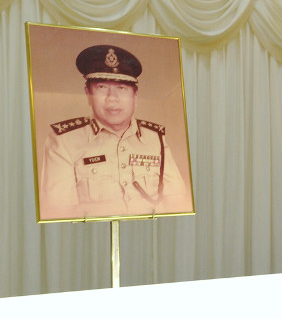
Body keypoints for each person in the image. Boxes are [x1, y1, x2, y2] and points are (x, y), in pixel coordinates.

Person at [39, 44, 188, 219]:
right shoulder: (63, 142)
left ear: (135, 95)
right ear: (88, 93)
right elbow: (58, 214)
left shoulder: (156, 139)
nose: (113, 98)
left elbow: (177, 203)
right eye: (102, 87)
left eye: (122, 88)